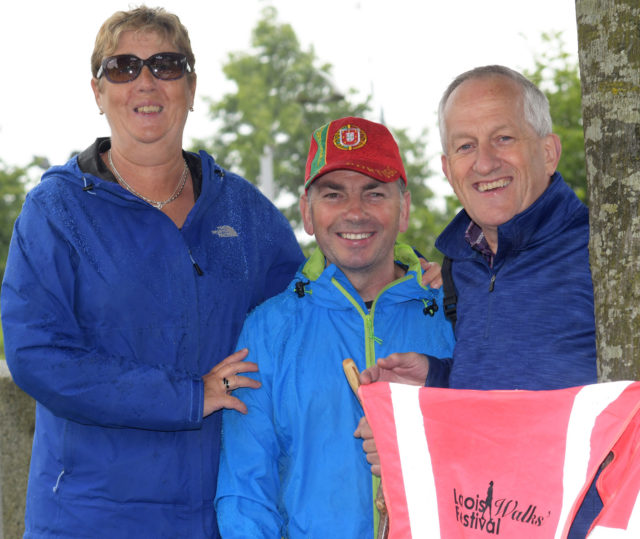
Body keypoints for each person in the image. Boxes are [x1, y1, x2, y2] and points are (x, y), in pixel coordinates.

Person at [0, 7, 303, 538]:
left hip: (218, 517)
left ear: (190, 84)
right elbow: (36, 356)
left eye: (166, 65)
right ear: (97, 92)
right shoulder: (56, 211)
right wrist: (189, 396)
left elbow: (308, 314)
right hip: (88, 518)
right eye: (123, 67)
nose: (145, 81)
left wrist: (408, 279)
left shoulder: (245, 212)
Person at [355, 65, 598, 537]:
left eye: (503, 138)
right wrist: (435, 385)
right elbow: (500, 397)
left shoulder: (600, 254)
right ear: (448, 169)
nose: (484, 163)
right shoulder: (458, 266)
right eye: (466, 146)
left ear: (548, 152)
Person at [214, 116, 455, 538]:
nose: (355, 212)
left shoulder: (455, 310)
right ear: (307, 212)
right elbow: (246, 491)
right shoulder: (268, 331)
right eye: (333, 194)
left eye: (374, 193)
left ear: (404, 209)